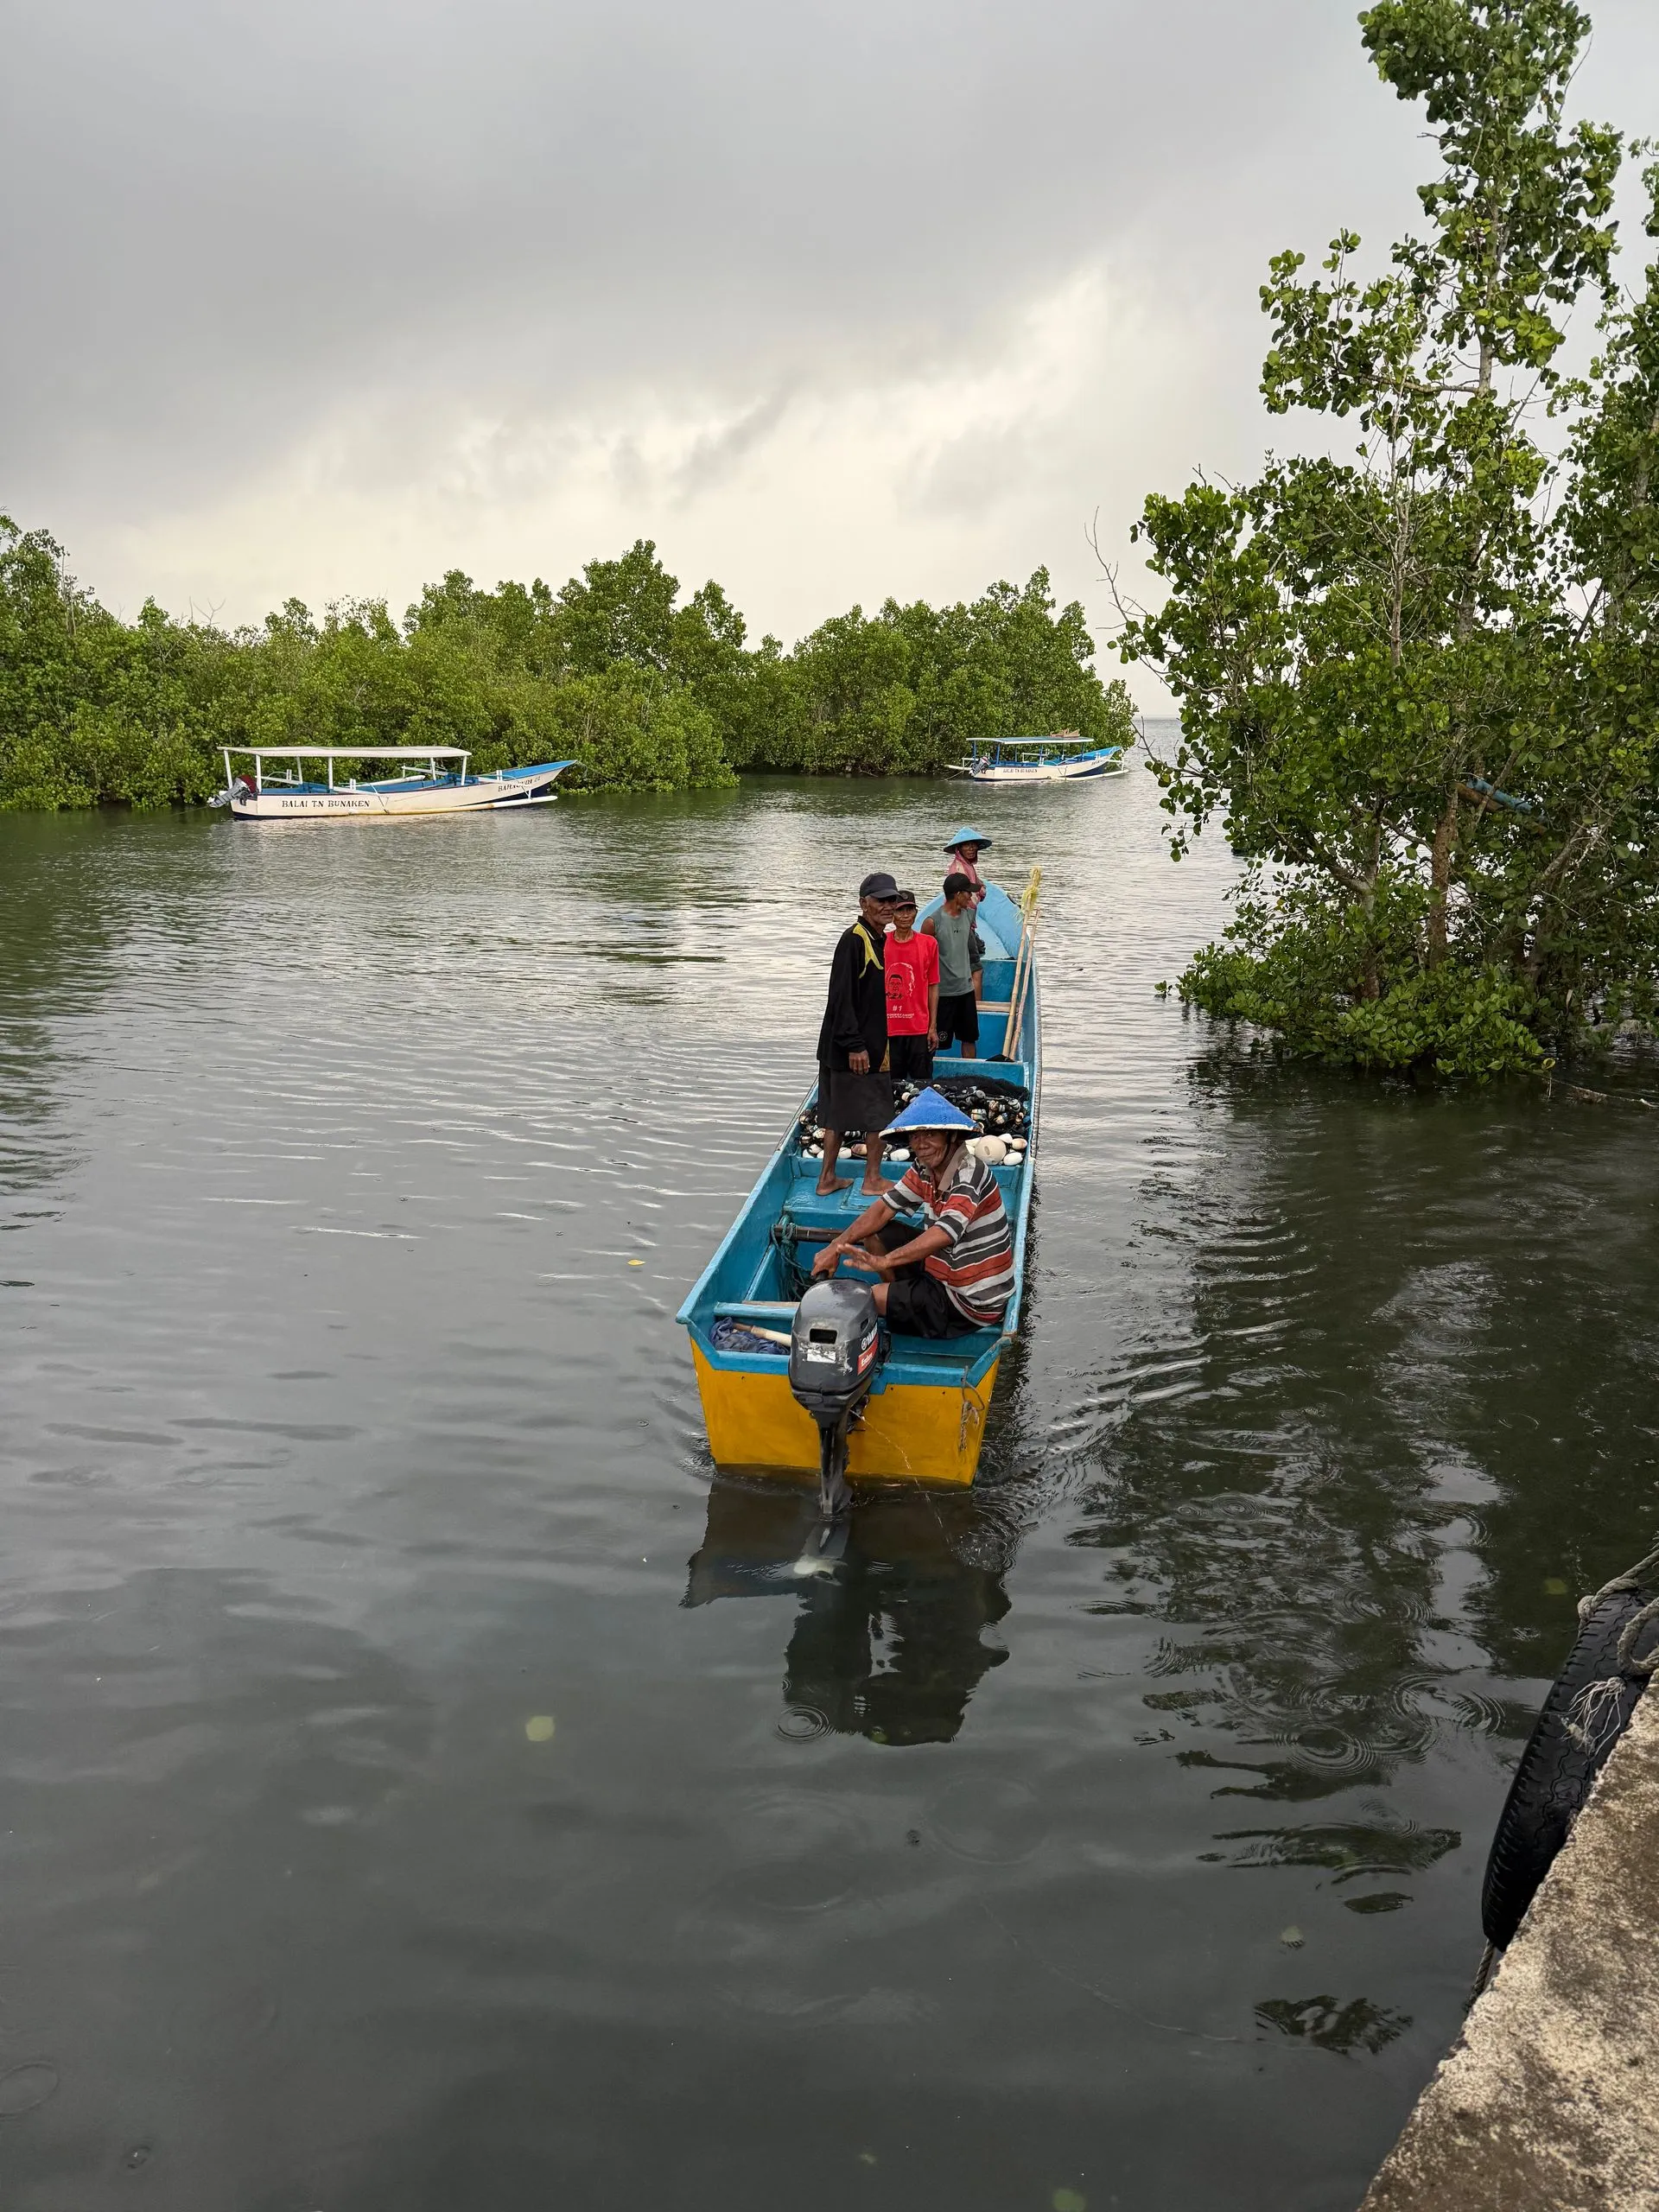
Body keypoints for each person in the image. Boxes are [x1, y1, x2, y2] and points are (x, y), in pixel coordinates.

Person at [810, 1087, 1014, 1337]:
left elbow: (944, 1233)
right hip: (941, 1272)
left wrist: (884, 1261)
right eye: (915, 1136)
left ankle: (899, 1302)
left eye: (930, 1134)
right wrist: (836, 1247)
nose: (921, 1144)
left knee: (866, 1299)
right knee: (876, 1233)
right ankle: (902, 1298)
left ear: (951, 1136)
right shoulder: (923, 1167)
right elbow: (883, 1209)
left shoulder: (968, 1171)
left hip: (970, 1300)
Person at [814, 871, 899, 1197]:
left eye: (892, 900)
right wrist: (856, 1045)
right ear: (864, 903)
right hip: (860, 1049)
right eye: (880, 900)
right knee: (877, 1112)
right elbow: (841, 997)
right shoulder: (855, 940)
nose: (888, 907)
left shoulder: (876, 939)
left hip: (841, 1046)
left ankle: (827, 1180)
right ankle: (873, 1180)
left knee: (837, 1115)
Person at [923, 873, 982, 1058]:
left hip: (965, 991)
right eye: (967, 893)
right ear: (957, 894)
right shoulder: (932, 923)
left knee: (969, 1038)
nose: (970, 897)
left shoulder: (969, 915)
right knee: (936, 1042)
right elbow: (923, 962)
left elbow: (972, 954)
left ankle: (971, 1080)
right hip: (943, 994)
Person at [881, 890, 938, 1085]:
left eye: (910, 910)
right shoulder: (881, 942)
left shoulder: (928, 943)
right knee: (890, 1086)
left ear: (915, 913)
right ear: (892, 915)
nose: (905, 915)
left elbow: (933, 986)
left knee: (922, 1085)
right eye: (900, 911)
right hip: (888, 1030)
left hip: (918, 1029)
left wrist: (932, 1027)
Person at [941, 828, 993, 907]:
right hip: (961, 908)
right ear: (959, 849)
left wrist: (981, 889)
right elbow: (963, 897)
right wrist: (981, 891)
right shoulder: (958, 868)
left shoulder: (968, 864)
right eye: (967, 845)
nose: (971, 849)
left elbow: (978, 883)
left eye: (973, 845)